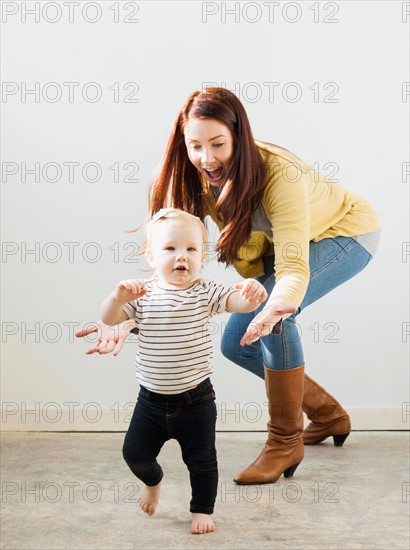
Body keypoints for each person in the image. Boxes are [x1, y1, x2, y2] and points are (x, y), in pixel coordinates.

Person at [77, 87, 380, 487]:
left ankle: (285, 440)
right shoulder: (193, 176)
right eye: (195, 145)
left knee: (273, 320)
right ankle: (326, 414)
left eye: (218, 144)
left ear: (239, 137)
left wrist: (276, 306)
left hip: (343, 234)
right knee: (236, 341)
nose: (206, 158)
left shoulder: (278, 174)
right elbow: (172, 256)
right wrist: (128, 318)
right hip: (283, 248)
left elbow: (292, 267)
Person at [78, 208, 267, 534]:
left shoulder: (204, 291)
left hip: (197, 401)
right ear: (152, 256)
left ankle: (202, 509)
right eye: (170, 249)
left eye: (192, 249)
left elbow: (238, 303)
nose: (182, 256)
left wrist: (252, 296)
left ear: (202, 255)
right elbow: (109, 319)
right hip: (151, 402)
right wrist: (116, 296)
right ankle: (153, 481)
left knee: (203, 461)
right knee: (134, 453)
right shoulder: (142, 294)